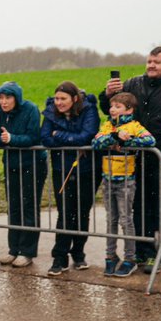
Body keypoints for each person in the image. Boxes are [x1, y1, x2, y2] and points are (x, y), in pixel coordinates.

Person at [99, 47, 161, 270]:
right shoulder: (134, 84)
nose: (151, 66)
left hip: (160, 159)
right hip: (132, 159)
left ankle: (152, 254)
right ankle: (136, 253)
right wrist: (106, 94)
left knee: (156, 208)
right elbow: (112, 111)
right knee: (135, 207)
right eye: (148, 61)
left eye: (156, 62)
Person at [0, 82, 46, 268]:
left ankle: (27, 252)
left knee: (29, 206)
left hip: (33, 163)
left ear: (17, 98)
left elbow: (33, 137)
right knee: (13, 206)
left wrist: (11, 138)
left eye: (8, 98)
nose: (4, 102)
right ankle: (13, 249)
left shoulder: (30, 109)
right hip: (12, 164)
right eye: (1, 98)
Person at [92, 93, 155, 277]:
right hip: (108, 179)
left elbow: (150, 140)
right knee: (111, 220)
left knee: (126, 220)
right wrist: (114, 137)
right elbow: (96, 142)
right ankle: (110, 257)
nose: (112, 109)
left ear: (129, 109)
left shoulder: (134, 126)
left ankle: (130, 258)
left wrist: (128, 141)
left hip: (126, 180)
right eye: (112, 106)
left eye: (118, 106)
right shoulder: (107, 125)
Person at [41, 82, 101, 275]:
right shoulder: (50, 111)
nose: (58, 103)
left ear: (74, 99)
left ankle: (79, 253)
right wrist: (69, 139)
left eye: (63, 99)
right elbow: (45, 138)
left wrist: (59, 134)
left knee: (82, 212)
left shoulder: (89, 109)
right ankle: (60, 257)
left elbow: (88, 136)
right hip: (61, 168)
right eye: (57, 98)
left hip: (87, 169)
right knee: (65, 212)